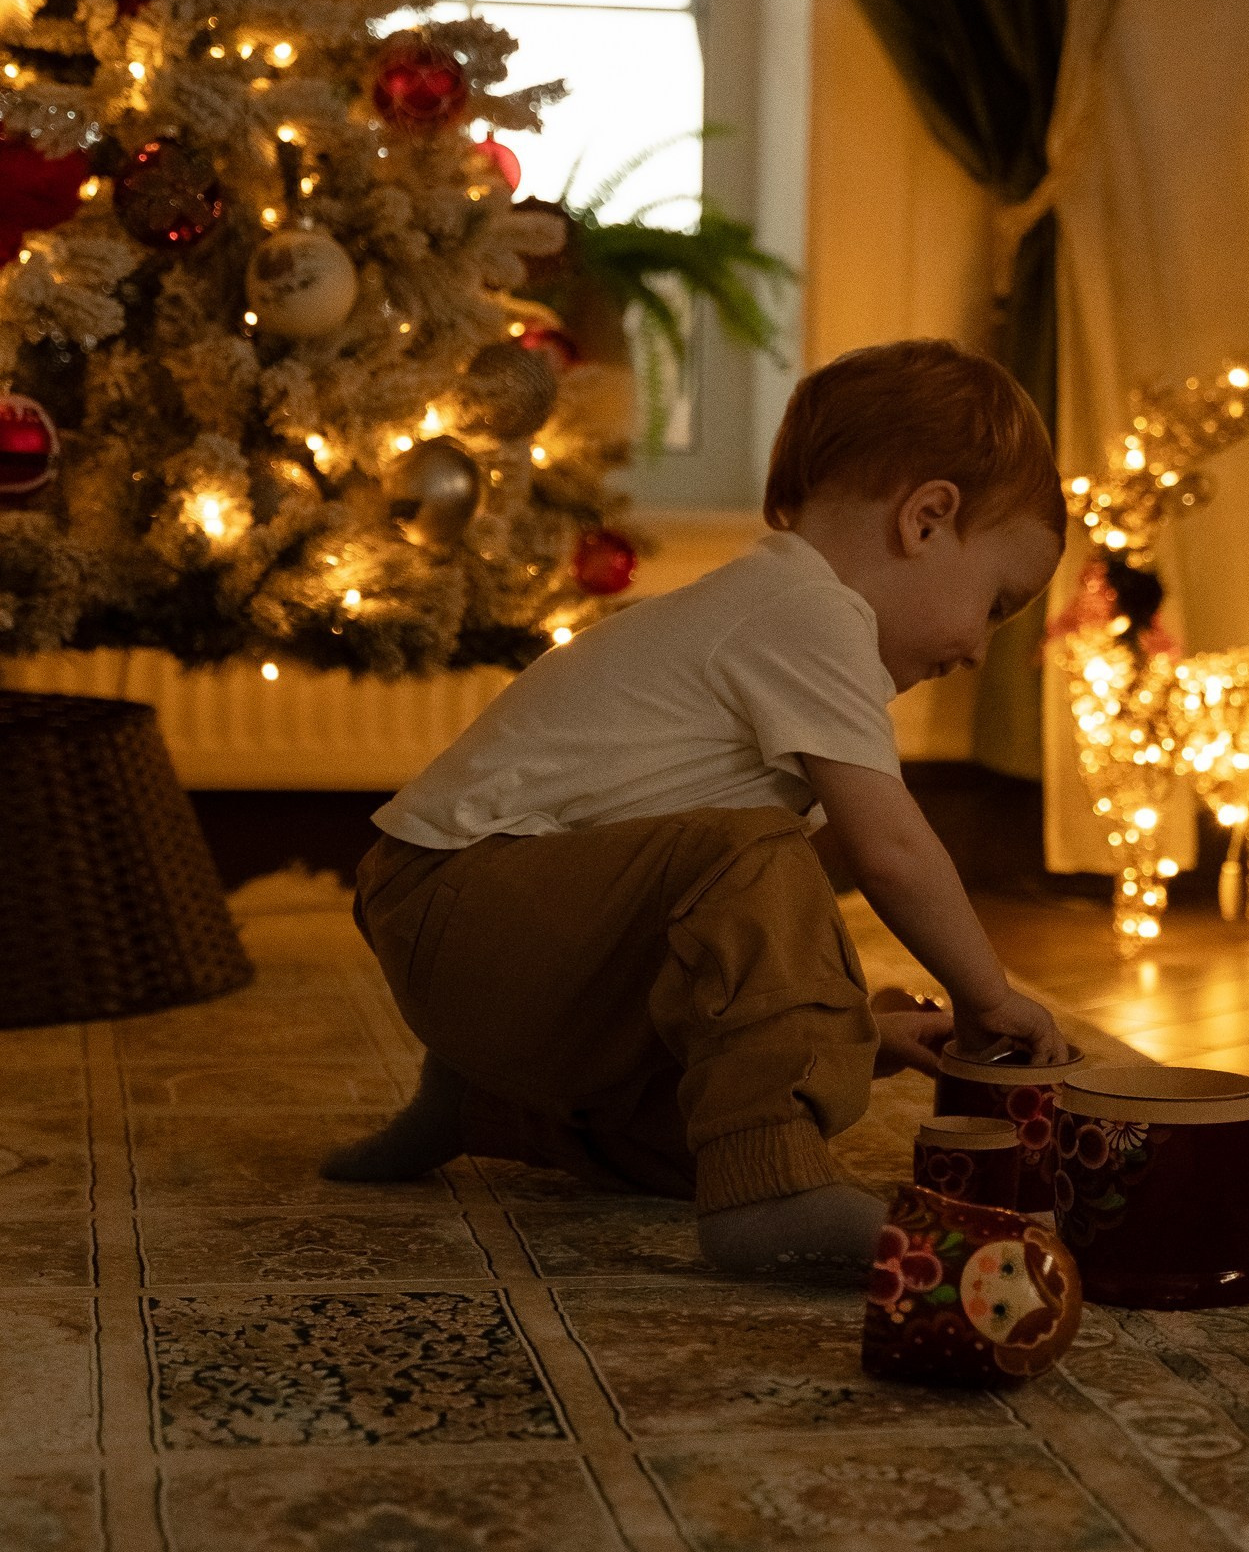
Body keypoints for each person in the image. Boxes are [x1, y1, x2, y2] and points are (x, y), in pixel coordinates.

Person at [325, 336, 1070, 1277]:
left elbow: (715, 944)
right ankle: (775, 1197)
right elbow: (892, 853)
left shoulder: (776, 623)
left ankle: (490, 1107)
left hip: (501, 947)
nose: (978, 647)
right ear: (926, 518)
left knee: (713, 1130)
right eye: (997, 602)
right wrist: (987, 995)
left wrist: (854, 1035)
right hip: (451, 901)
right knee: (757, 855)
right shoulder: (809, 612)